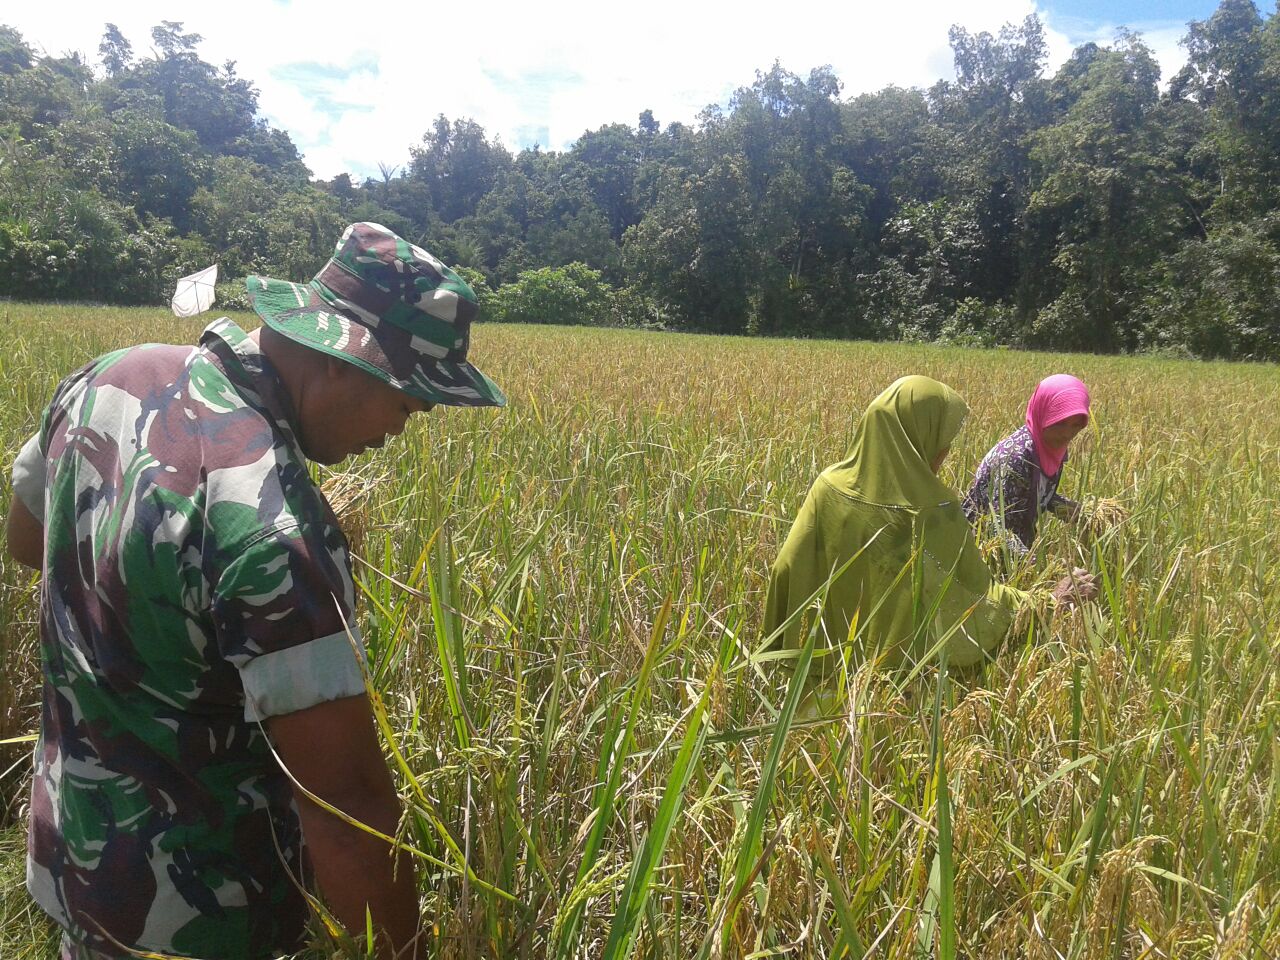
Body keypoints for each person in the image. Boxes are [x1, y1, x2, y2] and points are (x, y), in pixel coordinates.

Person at [4, 222, 506, 960]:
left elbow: (26, 544)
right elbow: (346, 808)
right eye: (406, 398)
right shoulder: (276, 531)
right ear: (340, 361)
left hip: (70, 859)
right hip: (197, 920)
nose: (412, 422)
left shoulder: (112, 376)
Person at [762, 376, 1093, 686]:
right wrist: (1049, 600)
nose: (945, 452)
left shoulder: (827, 488)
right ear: (917, 437)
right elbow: (976, 602)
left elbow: (784, 570)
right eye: (942, 439)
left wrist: (779, 654)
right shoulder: (936, 512)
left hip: (818, 679)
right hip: (892, 691)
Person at [963, 374, 1091, 560]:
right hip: (979, 553)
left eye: (1076, 425)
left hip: (1015, 551)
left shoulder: (1049, 447)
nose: (1067, 434)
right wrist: (1037, 567)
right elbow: (996, 527)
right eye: (1059, 423)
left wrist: (1072, 511)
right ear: (1043, 414)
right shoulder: (1015, 458)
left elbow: (1033, 493)